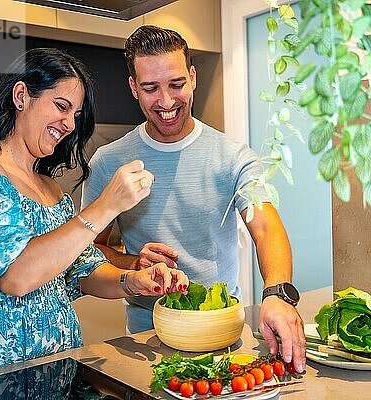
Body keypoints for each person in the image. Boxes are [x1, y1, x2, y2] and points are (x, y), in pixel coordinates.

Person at [0, 48, 188, 383]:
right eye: (61, 107)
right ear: (21, 96)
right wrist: (106, 205)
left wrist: (131, 282)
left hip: (55, 370)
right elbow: (15, 277)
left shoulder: (50, 189)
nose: (69, 124)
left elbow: (80, 272)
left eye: (76, 115)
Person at [81, 26, 306, 373]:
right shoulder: (109, 162)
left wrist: (277, 293)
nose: (166, 101)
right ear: (132, 88)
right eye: (150, 88)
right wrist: (133, 263)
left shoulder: (234, 157)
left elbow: (265, 227)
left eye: (176, 84)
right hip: (146, 344)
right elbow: (90, 251)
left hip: (224, 340)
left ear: (193, 77)